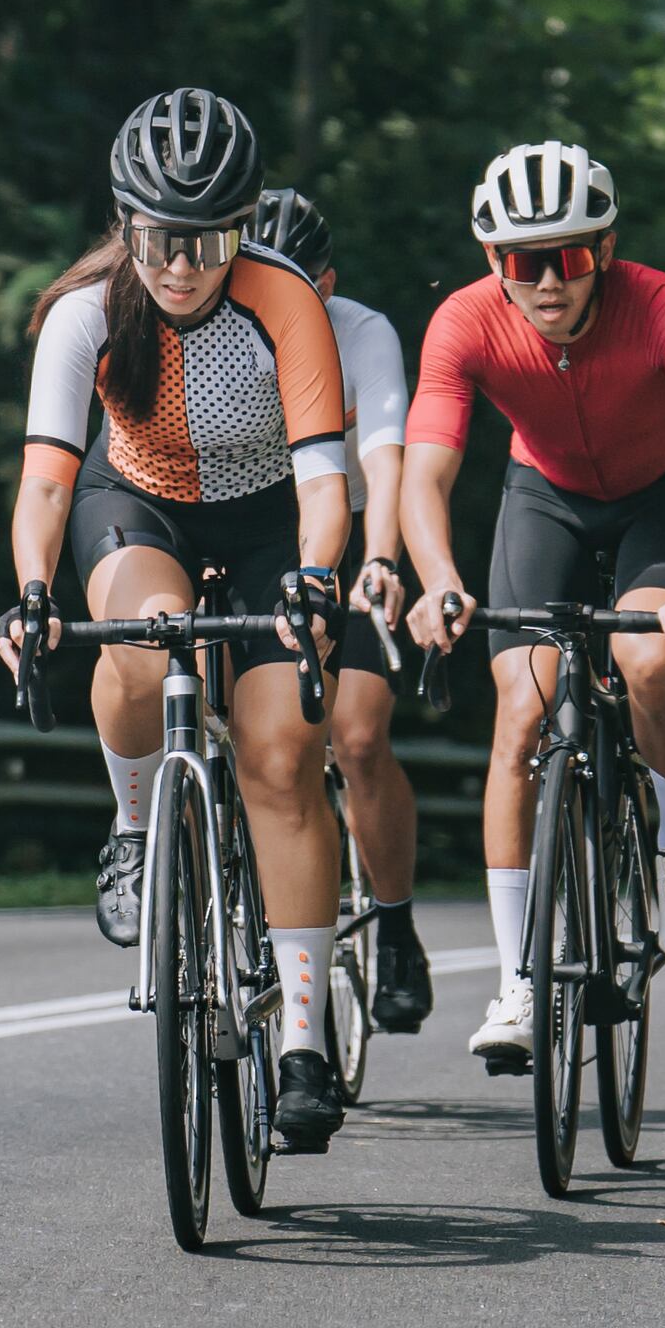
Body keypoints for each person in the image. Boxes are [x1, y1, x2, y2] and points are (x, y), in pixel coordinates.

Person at [0, 89, 364, 1148]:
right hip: (138, 500)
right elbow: (45, 484)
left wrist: (309, 579)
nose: (181, 264)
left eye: (208, 237)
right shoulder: (83, 313)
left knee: (283, 757)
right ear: (124, 222)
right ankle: (130, 827)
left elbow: (324, 484)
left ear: (243, 226)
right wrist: (31, 589)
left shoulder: (282, 299)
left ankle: (301, 1037)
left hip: (262, 521)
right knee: (142, 636)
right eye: (157, 236)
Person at [398, 138, 665, 1078]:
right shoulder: (464, 322)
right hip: (543, 496)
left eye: (570, 257)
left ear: (607, 248)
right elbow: (428, 471)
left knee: (644, 662)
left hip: (662, 494)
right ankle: (518, 978)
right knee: (521, 710)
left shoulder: (663, 306)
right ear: (492, 261)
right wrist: (439, 577)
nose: (546, 281)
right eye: (521, 261)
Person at [246, 184, 432, 1033]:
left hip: (355, 534)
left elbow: (387, 459)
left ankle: (391, 923)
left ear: (328, 282)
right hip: (263, 538)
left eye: (304, 281)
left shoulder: (363, 332)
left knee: (356, 734)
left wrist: (384, 559)